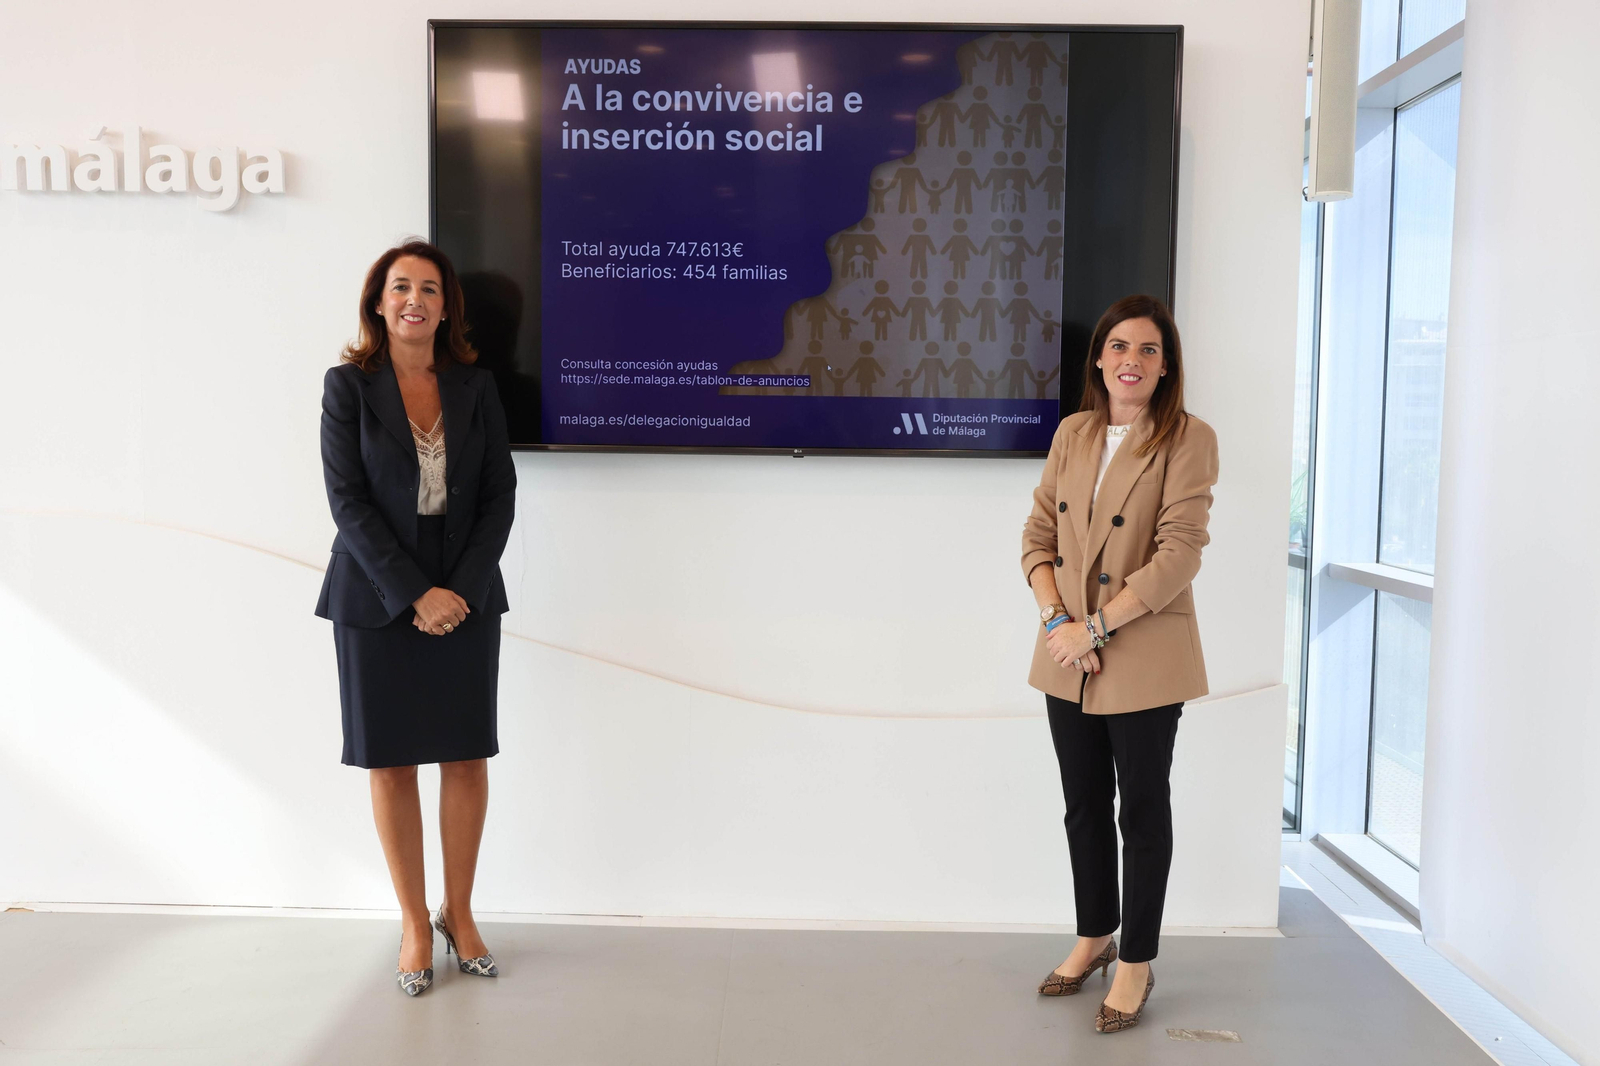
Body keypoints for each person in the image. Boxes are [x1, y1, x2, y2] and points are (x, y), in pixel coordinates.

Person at [315, 240, 517, 997]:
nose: (414, 299)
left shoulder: (476, 387)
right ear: (378, 301)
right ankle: (410, 922)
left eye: (429, 288)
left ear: (445, 306)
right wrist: (413, 594)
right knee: (392, 762)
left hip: (466, 594)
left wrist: (457, 589)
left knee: (466, 756)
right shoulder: (348, 386)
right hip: (375, 598)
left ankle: (457, 914)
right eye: (401, 287)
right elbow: (348, 503)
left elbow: (499, 494)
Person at [1019, 294, 1217, 1033]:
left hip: (1140, 649)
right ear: (1099, 358)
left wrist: (1095, 628)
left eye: (1149, 350)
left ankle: (1135, 960)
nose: (1132, 360)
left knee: (1142, 810)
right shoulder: (1073, 432)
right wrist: (1057, 622)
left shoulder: (1189, 439)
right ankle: (1094, 935)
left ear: (1166, 369)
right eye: (1120, 347)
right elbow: (1038, 537)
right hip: (1065, 650)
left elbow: (1180, 553)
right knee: (1082, 806)